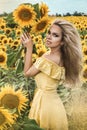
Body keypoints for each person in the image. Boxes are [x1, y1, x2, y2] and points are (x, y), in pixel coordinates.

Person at [20, 19, 83, 130]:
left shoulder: (48, 58)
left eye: (55, 35)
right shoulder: (61, 57)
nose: (49, 37)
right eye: (49, 32)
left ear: (63, 41)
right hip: (54, 105)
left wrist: (29, 47)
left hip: (45, 106)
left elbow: (27, 73)